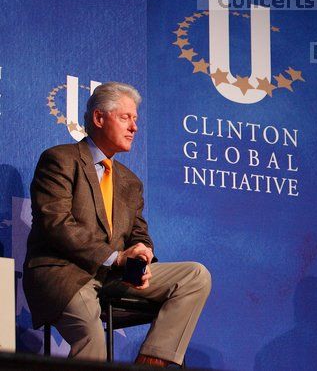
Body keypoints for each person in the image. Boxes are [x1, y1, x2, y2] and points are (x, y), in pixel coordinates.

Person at [23, 82, 211, 367]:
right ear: (99, 118)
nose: (134, 127)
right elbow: (57, 224)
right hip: (65, 274)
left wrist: (142, 253)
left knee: (195, 276)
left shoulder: (129, 181)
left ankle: (151, 362)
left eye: (135, 119)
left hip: (115, 276)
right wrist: (115, 257)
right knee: (92, 335)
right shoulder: (60, 160)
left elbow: (139, 233)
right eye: (125, 117)